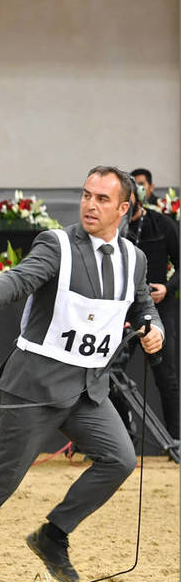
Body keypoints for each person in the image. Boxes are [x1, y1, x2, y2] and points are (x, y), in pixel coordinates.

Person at [0, 167, 164, 582]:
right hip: (35, 386)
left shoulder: (135, 258)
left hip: (88, 388)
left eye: (102, 199)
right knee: (0, 483)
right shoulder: (56, 245)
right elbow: (18, 280)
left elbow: (143, 301)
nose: (90, 205)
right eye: (86, 195)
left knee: (120, 460)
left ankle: (53, 535)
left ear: (124, 208)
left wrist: (153, 328)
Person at [124, 186, 179, 439]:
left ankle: (175, 439)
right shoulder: (117, 229)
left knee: (166, 375)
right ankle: (122, 436)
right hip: (124, 308)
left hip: (159, 305)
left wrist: (167, 289)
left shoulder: (163, 224)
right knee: (110, 374)